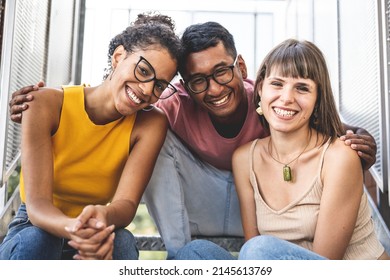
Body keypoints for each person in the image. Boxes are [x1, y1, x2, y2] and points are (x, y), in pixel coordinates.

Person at [9, 22, 377, 260]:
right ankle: (178, 252)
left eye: (221, 72)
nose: (213, 88)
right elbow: (111, 100)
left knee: (254, 250)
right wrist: (43, 105)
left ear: (244, 71)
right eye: (197, 80)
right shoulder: (164, 107)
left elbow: (309, 116)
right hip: (50, 220)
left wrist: (356, 139)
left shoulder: (273, 105)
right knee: (197, 254)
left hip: (286, 245)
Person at [0, 12, 182, 260]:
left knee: (122, 242)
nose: (147, 89)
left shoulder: (151, 124)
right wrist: (79, 230)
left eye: (160, 85)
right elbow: (37, 207)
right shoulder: (45, 104)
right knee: (38, 240)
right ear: (118, 57)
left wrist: (100, 220)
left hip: (97, 228)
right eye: (142, 70)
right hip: (36, 224)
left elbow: (126, 205)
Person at [232, 39, 388, 260]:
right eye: (277, 84)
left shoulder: (339, 157)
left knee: (259, 250)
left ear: (318, 99)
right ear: (259, 89)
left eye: (302, 88)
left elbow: (324, 263)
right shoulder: (244, 158)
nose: (286, 98)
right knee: (197, 252)